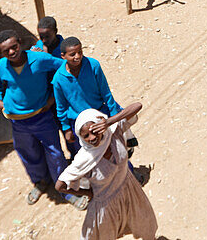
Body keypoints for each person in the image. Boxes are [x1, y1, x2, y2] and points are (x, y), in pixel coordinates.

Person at [0, 30, 85, 208]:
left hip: (42, 117)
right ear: (0, 53)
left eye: (14, 47)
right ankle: (40, 181)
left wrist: (53, 98)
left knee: (55, 154)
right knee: (27, 153)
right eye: (6, 51)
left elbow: (63, 67)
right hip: (17, 122)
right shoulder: (2, 65)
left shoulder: (38, 59)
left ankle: (65, 190)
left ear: (20, 43)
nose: (11, 52)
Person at [56, 103, 157, 240]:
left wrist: (110, 121)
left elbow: (137, 106)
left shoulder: (114, 133)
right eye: (86, 136)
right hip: (105, 205)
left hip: (129, 190)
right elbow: (60, 186)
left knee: (145, 225)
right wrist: (87, 193)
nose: (91, 138)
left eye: (94, 131)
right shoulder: (84, 158)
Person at [53, 37, 124, 157]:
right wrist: (66, 128)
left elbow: (105, 92)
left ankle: (127, 174)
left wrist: (113, 116)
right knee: (89, 156)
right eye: (72, 54)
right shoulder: (58, 79)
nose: (77, 56)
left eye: (80, 52)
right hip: (78, 123)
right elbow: (61, 106)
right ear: (63, 56)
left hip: (99, 116)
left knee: (115, 149)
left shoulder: (93, 65)